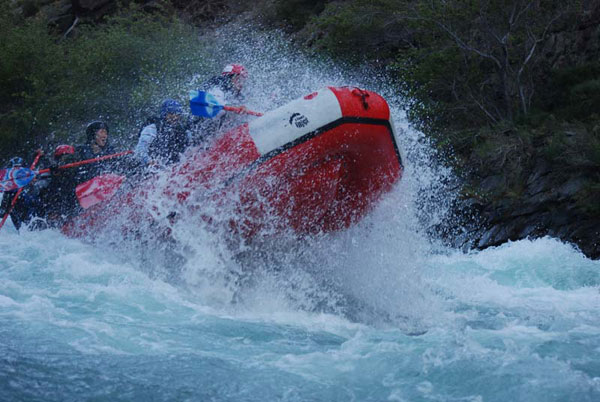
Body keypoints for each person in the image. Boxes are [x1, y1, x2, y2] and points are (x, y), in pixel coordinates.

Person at [191, 63, 249, 145]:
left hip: (216, 132)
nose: (241, 84)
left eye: (243, 81)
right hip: (200, 136)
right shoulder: (217, 86)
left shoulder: (238, 96)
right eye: (239, 80)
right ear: (230, 78)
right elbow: (216, 112)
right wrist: (236, 108)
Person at [134, 99, 192, 166]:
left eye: (177, 114)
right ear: (164, 114)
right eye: (171, 114)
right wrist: (149, 161)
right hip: (151, 167)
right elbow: (140, 151)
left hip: (172, 167)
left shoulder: (182, 130)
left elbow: (189, 148)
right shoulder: (152, 128)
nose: (175, 117)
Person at [39, 144, 82, 227]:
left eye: (68, 157)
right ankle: (55, 218)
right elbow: (43, 184)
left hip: (72, 201)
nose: (66, 160)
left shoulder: (77, 169)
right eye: (63, 157)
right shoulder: (52, 170)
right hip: (58, 202)